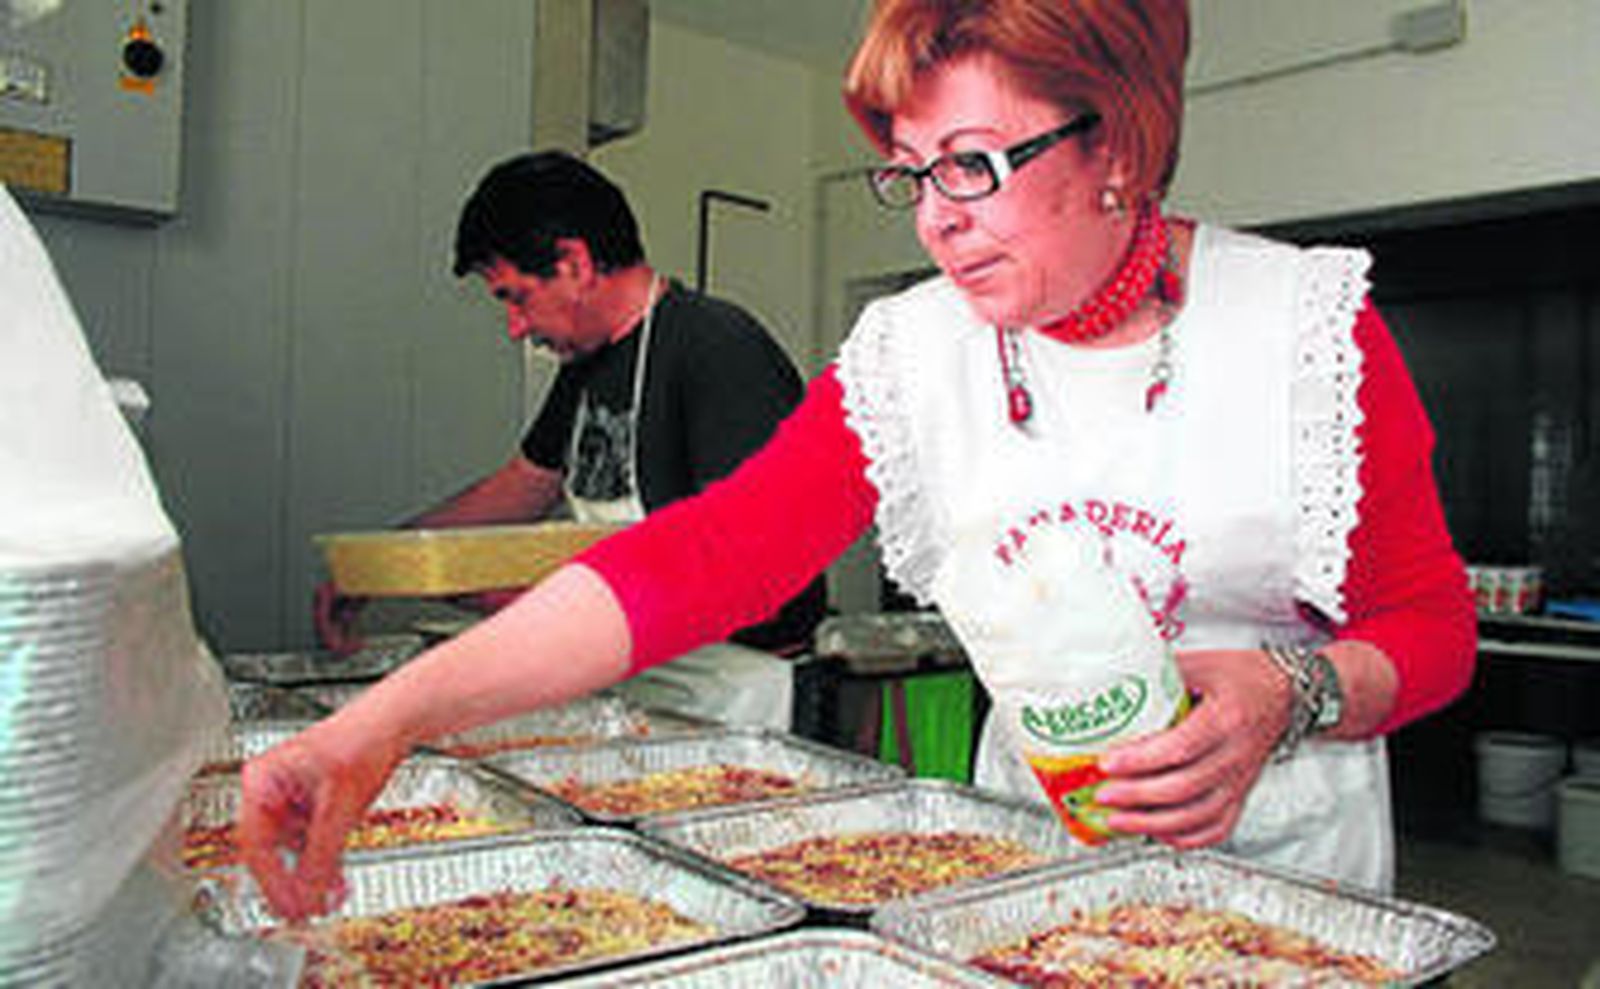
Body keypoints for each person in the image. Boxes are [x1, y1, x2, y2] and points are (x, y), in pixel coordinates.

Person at [242, 0, 1476, 920]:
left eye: (975, 164)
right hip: (1042, 874)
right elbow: (703, 555)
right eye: (911, 170)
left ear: (1120, 143)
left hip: (1288, 890)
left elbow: (1429, 622)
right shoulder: (913, 351)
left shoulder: (1300, 324)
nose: (936, 215)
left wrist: (1295, 693)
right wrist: (381, 723)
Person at [314, 150, 825, 729]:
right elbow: (521, 488)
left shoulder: (717, 348)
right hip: (641, 676)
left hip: (735, 691)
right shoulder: (586, 366)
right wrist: (385, 561)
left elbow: (750, 563)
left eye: (516, 296)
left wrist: (543, 600)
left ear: (575, 263)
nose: (515, 327)